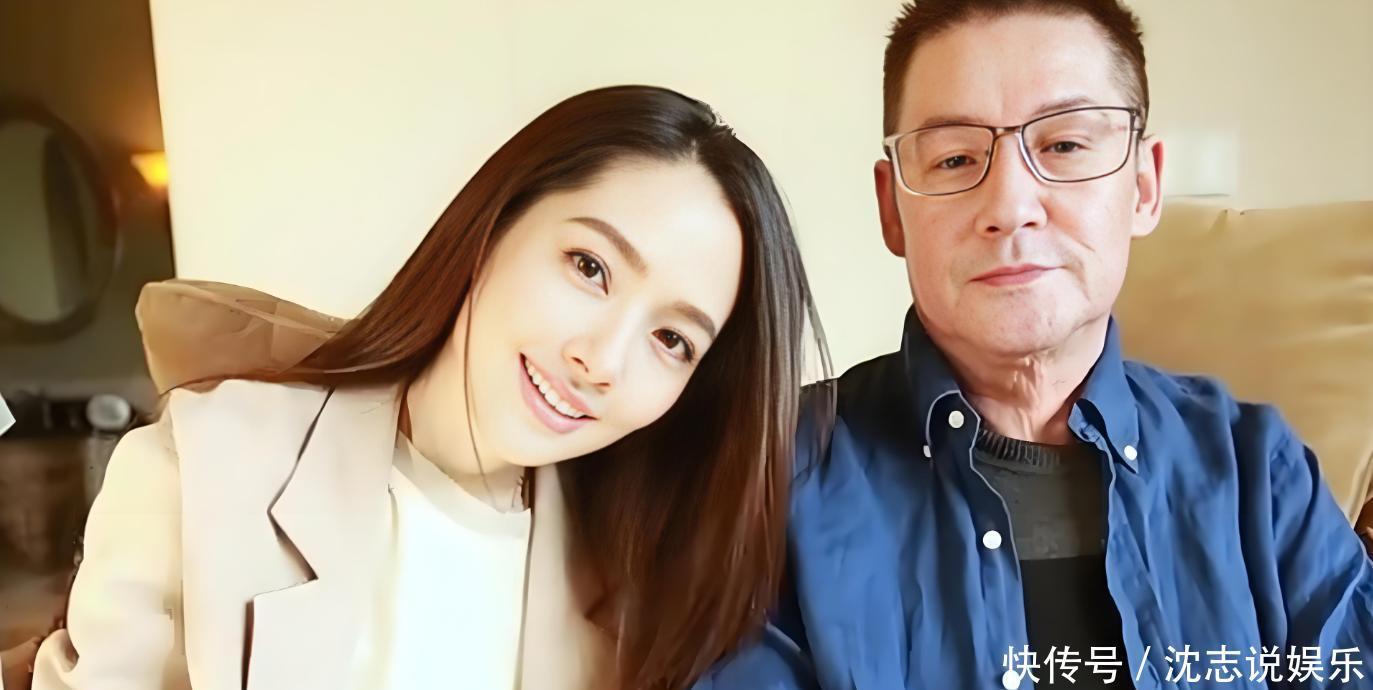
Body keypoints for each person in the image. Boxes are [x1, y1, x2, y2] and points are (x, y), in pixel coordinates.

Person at [20, 85, 828, 690]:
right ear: (494, 226)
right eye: (589, 267)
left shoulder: (641, 592)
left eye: (671, 340)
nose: (602, 360)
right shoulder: (203, 467)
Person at [698, 1, 1373, 689]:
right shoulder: (769, 473)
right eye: (955, 158)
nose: (1009, 206)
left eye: (1064, 146)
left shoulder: (1257, 472)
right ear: (891, 208)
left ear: (1144, 187)